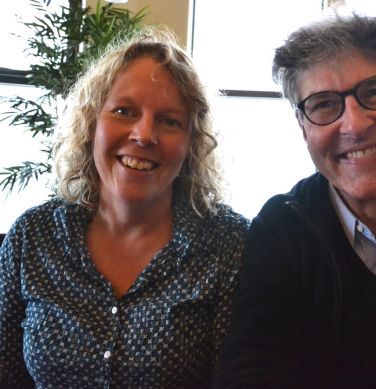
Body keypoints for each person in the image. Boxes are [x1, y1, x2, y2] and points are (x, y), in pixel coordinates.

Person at [213, 13, 376, 388]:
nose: (355, 125)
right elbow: (252, 369)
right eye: (323, 104)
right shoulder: (283, 230)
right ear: (303, 129)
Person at [0, 27, 249, 388]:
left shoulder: (229, 243)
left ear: (191, 144)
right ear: (91, 125)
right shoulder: (33, 236)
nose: (144, 135)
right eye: (124, 111)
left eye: (169, 121)